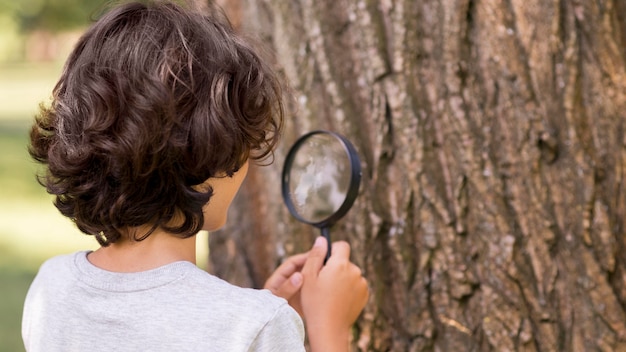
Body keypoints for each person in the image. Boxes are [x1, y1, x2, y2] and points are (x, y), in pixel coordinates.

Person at [21, 1, 369, 351]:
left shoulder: (51, 287)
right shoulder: (253, 325)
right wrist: (329, 329)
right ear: (217, 154)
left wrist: (261, 316)